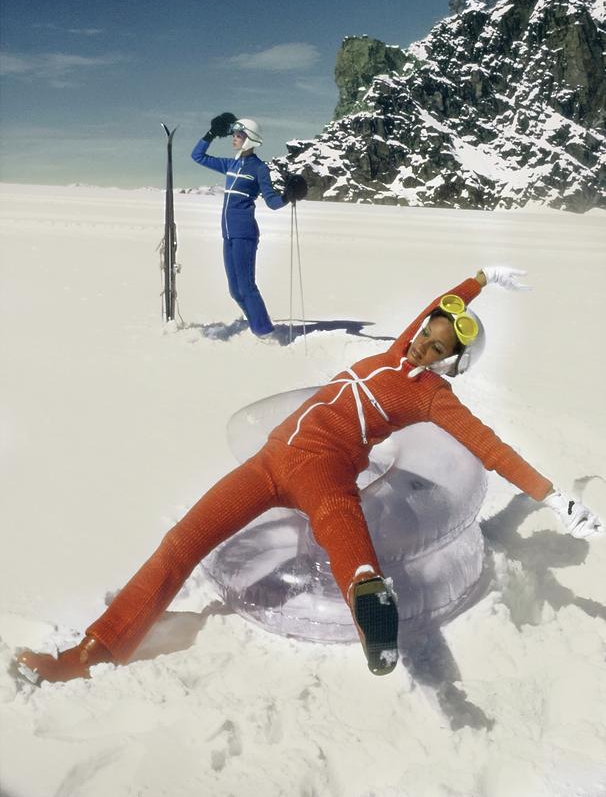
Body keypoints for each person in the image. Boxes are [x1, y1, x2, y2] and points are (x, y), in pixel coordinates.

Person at [15, 266, 603, 685]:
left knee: (337, 520)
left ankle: (373, 612)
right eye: (427, 333)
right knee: (182, 542)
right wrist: (479, 279)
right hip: (269, 461)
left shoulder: (430, 396)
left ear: (451, 363)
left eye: (436, 347)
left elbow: (492, 449)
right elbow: (439, 302)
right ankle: (92, 650)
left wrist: (554, 500)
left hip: (325, 465)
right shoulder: (396, 352)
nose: (423, 343)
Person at [191, 113, 307, 339]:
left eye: (239, 135)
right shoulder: (230, 164)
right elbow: (197, 156)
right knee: (235, 290)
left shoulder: (259, 168)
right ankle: (257, 326)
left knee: (246, 287)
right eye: (234, 134)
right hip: (228, 234)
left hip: (245, 234)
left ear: (250, 139)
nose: (234, 138)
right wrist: (211, 134)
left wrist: (288, 196)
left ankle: (266, 333)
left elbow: (272, 202)